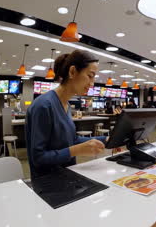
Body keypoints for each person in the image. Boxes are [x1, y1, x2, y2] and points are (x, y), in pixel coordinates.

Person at [25, 50, 106, 184]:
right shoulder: (44, 106)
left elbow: (71, 139)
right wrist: (75, 151)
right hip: (48, 184)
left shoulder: (66, 105)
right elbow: (38, 158)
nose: (92, 83)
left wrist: (106, 139)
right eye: (90, 76)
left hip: (68, 176)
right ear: (72, 72)